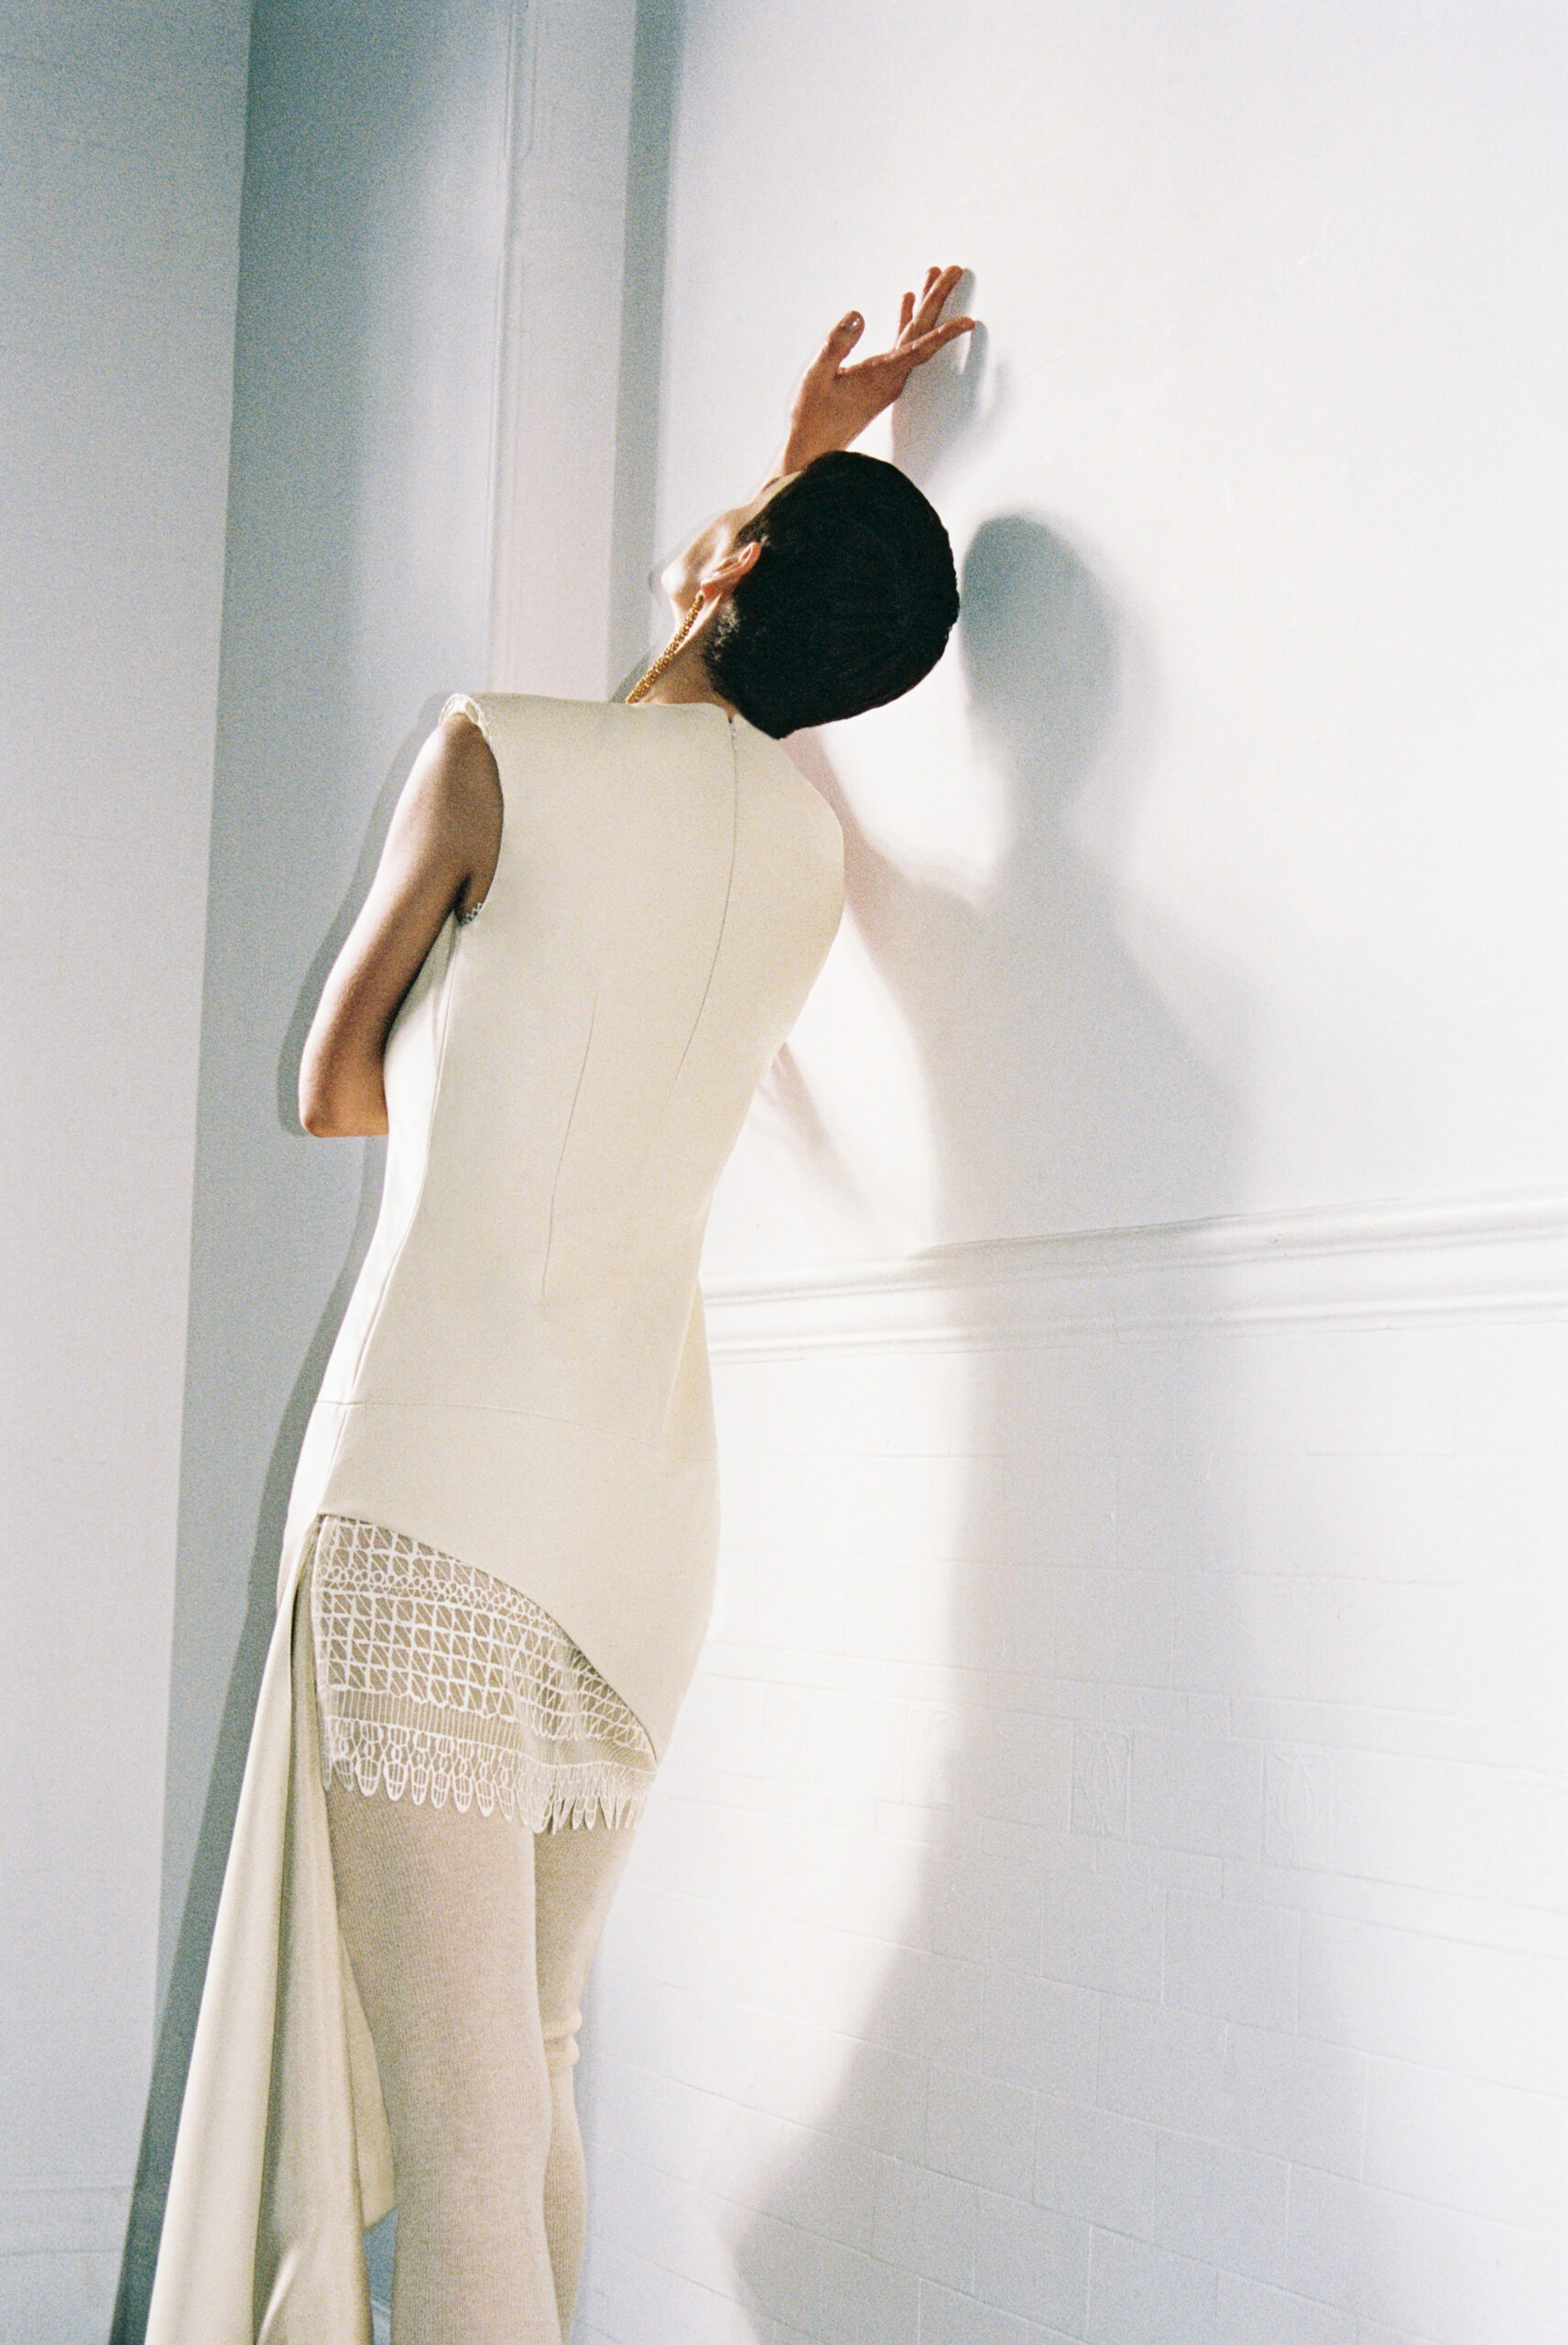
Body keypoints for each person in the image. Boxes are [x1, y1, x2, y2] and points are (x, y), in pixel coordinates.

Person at [147, 266, 975, 2345]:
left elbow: (331, 1084)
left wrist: (788, 485)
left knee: (460, 2123)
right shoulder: (801, 864)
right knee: (530, 2063)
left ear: (733, 567)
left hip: (434, 1496)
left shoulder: (489, 754)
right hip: (642, 1534)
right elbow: (679, 772)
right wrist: (805, 482)